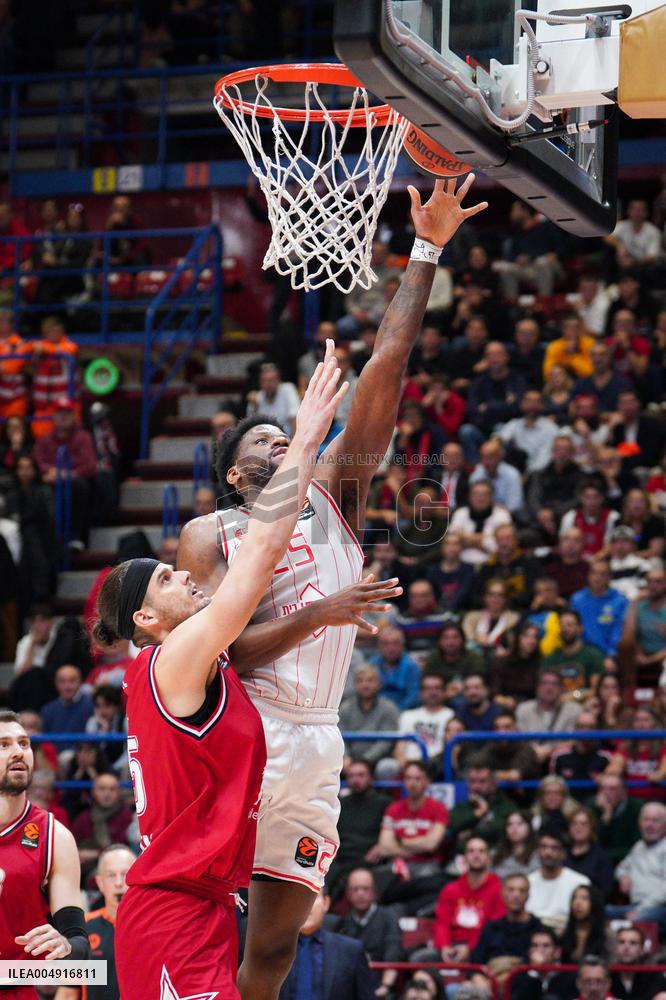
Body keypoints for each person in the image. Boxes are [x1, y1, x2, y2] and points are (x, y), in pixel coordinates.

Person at [177, 178, 488, 999]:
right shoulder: (211, 537)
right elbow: (211, 659)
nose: (291, 446)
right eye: (273, 442)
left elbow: (386, 365)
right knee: (201, 917)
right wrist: (316, 613)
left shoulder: (335, 498)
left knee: (275, 948)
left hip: (319, 739)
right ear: (239, 472)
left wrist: (425, 248)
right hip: (239, 731)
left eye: (294, 437)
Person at [92, 351, 348, 999]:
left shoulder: (185, 664)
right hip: (173, 908)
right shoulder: (177, 654)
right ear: (147, 617)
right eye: (170, 579)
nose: (186, 575)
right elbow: (258, 557)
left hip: (200, 902)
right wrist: (309, 435)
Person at [0, 709, 89, 995]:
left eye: (24, 744)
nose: (18, 752)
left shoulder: (56, 837)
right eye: (3, 745)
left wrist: (66, 949)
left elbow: (81, 956)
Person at [54, 843, 136, 1000]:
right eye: (111, 875)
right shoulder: (82, 930)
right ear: (100, 883)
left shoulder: (155, 927)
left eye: (126, 874)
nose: (119, 883)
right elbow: (68, 992)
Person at [277, 889, 375, 1000]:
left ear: (326, 903)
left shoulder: (351, 950)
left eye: (312, 897)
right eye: (297, 898)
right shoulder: (272, 951)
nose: (305, 904)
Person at [33, 397, 97, 546]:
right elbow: (38, 462)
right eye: (59, 412)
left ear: (73, 415)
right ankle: (47, 539)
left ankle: (76, 536)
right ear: (54, 416)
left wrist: (68, 474)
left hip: (75, 483)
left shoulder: (83, 437)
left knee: (80, 487)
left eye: (67, 413)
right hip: (50, 481)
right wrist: (51, 472)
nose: (63, 416)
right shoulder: (44, 439)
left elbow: (90, 465)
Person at [433, 836, 505, 961]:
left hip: (484, 946)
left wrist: (470, 947)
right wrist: (444, 946)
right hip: (452, 944)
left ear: (489, 858)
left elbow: (495, 926)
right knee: (420, 957)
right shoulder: (450, 889)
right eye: (471, 851)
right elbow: (442, 923)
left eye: (481, 851)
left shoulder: (499, 889)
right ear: (464, 858)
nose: (476, 855)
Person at [327, 760, 390, 900]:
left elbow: (392, 832)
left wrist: (381, 846)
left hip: (370, 859)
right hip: (341, 858)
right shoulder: (339, 804)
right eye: (352, 776)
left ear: (371, 777)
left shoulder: (384, 803)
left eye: (361, 775)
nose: (356, 780)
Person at [335, 868, 402, 998]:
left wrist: (385, 986)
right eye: (355, 889)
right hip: (350, 986)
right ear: (347, 894)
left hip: (380, 985)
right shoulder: (343, 922)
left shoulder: (388, 917)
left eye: (365, 889)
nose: (360, 894)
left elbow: (393, 952)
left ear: (374, 892)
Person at [371, 760, 448, 872]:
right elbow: (384, 848)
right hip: (397, 864)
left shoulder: (439, 808)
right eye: (408, 778)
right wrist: (419, 845)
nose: (412, 783)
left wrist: (400, 841)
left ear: (427, 782)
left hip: (427, 864)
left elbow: (431, 844)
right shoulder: (393, 809)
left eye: (417, 779)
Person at [459, 344, 526, 463]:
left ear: (506, 358)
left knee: (502, 429)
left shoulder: (517, 379)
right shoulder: (479, 382)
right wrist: (503, 405)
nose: (494, 359)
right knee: (466, 431)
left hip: (509, 430)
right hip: (483, 429)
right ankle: (475, 469)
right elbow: (471, 410)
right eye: (489, 355)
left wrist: (488, 406)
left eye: (498, 355)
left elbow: (517, 407)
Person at [70, 774, 134, 883]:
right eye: (102, 789)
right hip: (84, 871)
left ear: (118, 792)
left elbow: (124, 847)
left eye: (112, 789)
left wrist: (95, 853)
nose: (107, 793)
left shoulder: (126, 817)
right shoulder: (83, 818)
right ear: (94, 792)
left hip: (118, 870)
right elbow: (73, 847)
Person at [526, 831, 591, 935]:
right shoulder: (527, 882)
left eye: (554, 848)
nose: (548, 853)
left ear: (563, 853)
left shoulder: (579, 882)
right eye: (543, 847)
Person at [614, 802, 666, 929]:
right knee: (602, 911)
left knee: (635, 921)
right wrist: (623, 876)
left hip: (659, 907)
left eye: (655, 821)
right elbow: (620, 868)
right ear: (639, 823)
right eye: (646, 820)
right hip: (635, 906)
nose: (649, 825)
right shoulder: (639, 846)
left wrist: (642, 910)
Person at [472, 873, 544, 965]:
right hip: (490, 978)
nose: (516, 895)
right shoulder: (491, 928)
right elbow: (475, 965)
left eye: (522, 891)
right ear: (502, 893)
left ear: (528, 895)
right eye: (511, 890)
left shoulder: (538, 929)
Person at [339, 664, 400, 771]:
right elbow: (340, 738)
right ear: (354, 684)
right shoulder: (345, 708)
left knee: (387, 767)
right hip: (349, 760)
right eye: (360, 681)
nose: (365, 685)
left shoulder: (389, 708)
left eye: (370, 680)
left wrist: (364, 761)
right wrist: (346, 758)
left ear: (379, 684)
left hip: (378, 760)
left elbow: (385, 742)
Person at [571, 560, 629, 669]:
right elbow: (574, 629)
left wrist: (611, 655)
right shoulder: (577, 599)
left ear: (609, 577)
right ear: (588, 575)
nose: (597, 577)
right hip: (581, 653)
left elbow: (618, 631)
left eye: (602, 574)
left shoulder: (620, 601)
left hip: (608, 654)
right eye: (593, 573)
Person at [516, 669, 581, 764]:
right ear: (537, 687)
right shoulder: (524, 709)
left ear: (561, 688)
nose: (549, 688)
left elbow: (574, 740)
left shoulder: (574, 710)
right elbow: (520, 738)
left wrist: (549, 750)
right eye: (544, 683)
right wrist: (535, 751)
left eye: (554, 684)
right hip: (529, 760)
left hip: (562, 761)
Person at [448, 760, 514, 852]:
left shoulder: (506, 806)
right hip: (464, 857)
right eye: (472, 781)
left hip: (497, 857)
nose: (476, 787)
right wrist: (479, 813)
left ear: (494, 782)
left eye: (482, 781)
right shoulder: (462, 806)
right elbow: (452, 827)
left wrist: (471, 833)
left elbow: (503, 832)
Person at [395, 673, 454, 772]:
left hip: (437, 766)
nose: (432, 692)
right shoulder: (407, 715)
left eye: (437, 688)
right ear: (420, 693)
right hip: (409, 764)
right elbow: (400, 747)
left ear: (444, 692)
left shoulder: (452, 716)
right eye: (428, 688)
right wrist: (404, 766)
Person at [542, 610, 604, 699]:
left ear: (580, 629)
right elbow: (544, 690)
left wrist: (574, 696)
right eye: (561, 625)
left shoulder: (593, 655)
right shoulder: (550, 658)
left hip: (584, 706)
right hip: (556, 707)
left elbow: (596, 691)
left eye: (569, 625)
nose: (565, 629)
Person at [449, 480, 513, 566]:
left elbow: (503, 545)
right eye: (475, 494)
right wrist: (485, 538)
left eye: (484, 495)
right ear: (469, 497)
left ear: (491, 497)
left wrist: (466, 538)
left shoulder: (502, 515)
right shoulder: (460, 513)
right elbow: (453, 539)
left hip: (493, 564)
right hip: (461, 564)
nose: (480, 498)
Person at [621, 567, 666, 686]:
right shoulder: (640, 606)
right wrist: (633, 603)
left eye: (658, 582)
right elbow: (628, 636)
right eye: (650, 581)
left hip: (663, 655)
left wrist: (651, 660)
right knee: (624, 646)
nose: (653, 585)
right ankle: (630, 693)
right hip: (642, 653)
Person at [498, 390, 559, 473]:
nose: (532, 405)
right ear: (521, 404)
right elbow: (500, 438)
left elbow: (545, 458)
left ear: (542, 405)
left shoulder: (551, 428)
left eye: (536, 401)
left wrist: (528, 474)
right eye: (528, 401)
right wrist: (496, 442)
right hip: (516, 470)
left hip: (540, 473)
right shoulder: (514, 424)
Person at [40, 664, 95, 754]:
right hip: (53, 759)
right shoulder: (48, 710)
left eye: (72, 681)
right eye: (62, 681)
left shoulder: (92, 705)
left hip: (81, 757)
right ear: (56, 683)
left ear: (80, 682)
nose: (67, 686)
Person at [588, 773, 642, 864]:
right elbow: (593, 843)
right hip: (598, 862)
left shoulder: (637, 808)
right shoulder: (592, 806)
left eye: (612, 789)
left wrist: (605, 855)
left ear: (624, 792)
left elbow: (638, 845)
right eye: (602, 789)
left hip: (631, 860)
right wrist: (606, 816)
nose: (606, 793)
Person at [510, 927, 576, 1000]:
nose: (539, 950)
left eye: (546, 946)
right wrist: (533, 973)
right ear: (529, 951)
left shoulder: (570, 977)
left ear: (557, 952)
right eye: (534, 945)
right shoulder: (520, 975)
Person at [551, 714, 613, 786]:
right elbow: (553, 786)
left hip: (596, 796)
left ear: (596, 730)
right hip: (566, 796)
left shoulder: (605, 758)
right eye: (582, 727)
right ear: (575, 729)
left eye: (591, 727)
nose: (586, 731)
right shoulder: (560, 756)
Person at [368, 627, 422, 710]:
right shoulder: (372, 665)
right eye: (386, 644)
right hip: (376, 713)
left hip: (404, 712)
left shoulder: (412, 666)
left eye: (395, 643)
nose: (391, 648)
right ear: (379, 646)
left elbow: (413, 697)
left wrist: (395, 713)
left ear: (402, 645)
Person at [469, 437, 525, 514]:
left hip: (507, 516)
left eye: (490, 457)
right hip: (481, 515)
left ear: (500, 457)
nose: (486, 462)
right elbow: (472, 501)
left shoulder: (512, 474)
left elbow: (514, 506)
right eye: (483, 457)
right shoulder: (478, 472)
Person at [610, 926, 666, 1000]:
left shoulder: (654, 976)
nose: (626, 947)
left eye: (633, 943)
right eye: (621, 942)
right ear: (615, 948)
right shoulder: (606, 975)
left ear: (642, 949)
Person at [426, 533, 475, 613]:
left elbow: (464, 595)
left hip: (461, 613)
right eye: (447, 544)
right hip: (436, 614)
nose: (451, 548)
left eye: (456, 544)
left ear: (461, 547)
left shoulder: (469, 570)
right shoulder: (433, 571)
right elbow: (430, 597)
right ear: (442, 547)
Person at [560, 885, 608, 962]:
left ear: (595, 903)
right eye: (574, 898)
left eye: (584, 898)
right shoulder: (564, 934)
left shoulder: (607, 935)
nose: (577, 903)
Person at [492, 811, 539, 879]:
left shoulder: (538, 855)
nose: (514, 828)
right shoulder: (495, 855)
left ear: (529, 828)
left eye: (519, 824)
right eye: (509, 824)